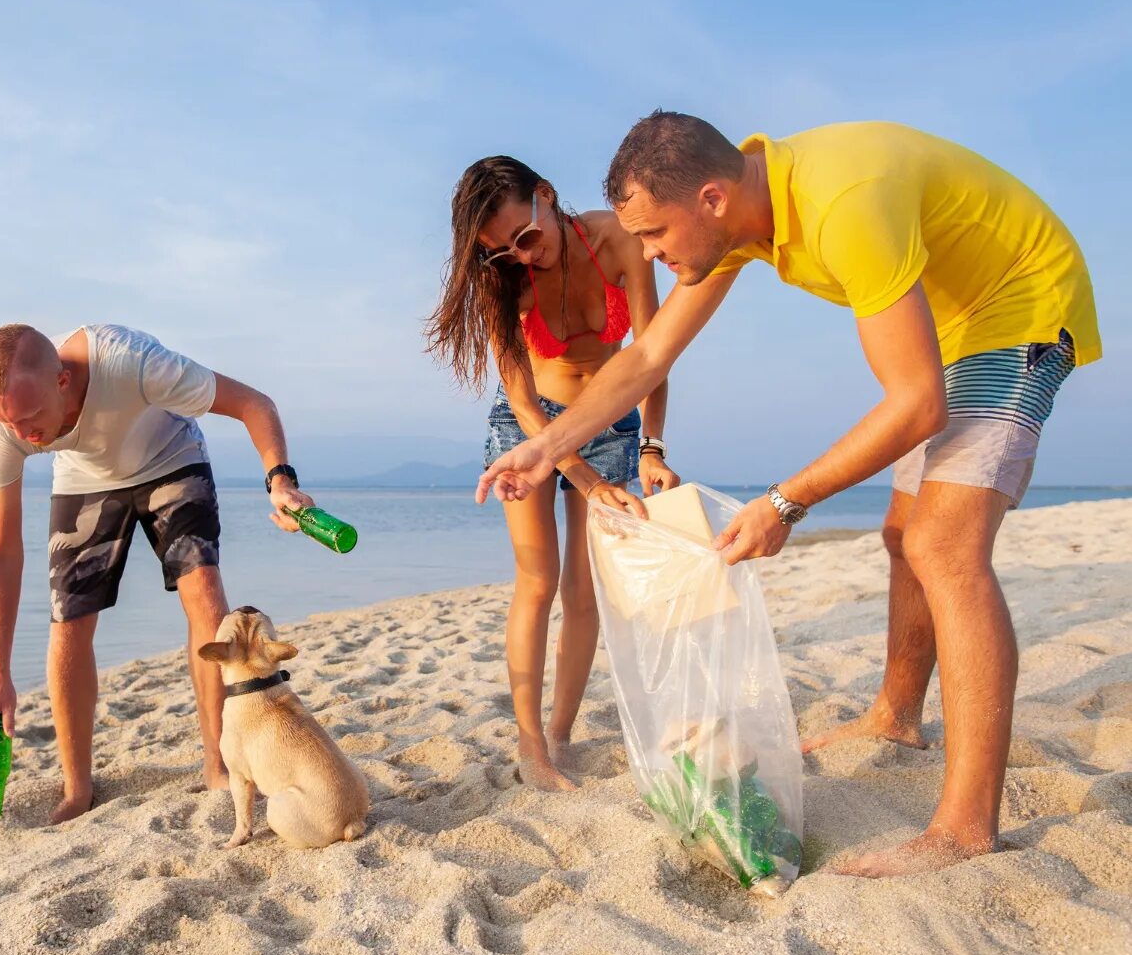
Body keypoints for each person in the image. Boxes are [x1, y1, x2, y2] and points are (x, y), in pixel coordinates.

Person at [478, 112, 1100, 875]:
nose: (645, 254)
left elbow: (915, 405)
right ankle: (896, 717)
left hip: (1022, 305)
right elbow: (648, 357)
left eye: (653, 236)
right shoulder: (742, 210)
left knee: (944, 544)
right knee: (903, 531)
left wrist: (784, 502)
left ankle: (967, 828)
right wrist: (545, 446)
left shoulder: (845, 204)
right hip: (958, 318)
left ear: (708, 198)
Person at [0, 322, 320, 822]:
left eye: (30, 418)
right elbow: (1, 550)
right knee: (68, 622)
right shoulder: (3, 426)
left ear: (63, 380)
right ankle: (77, 789)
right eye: (7, 423)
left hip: (170, 458)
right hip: (85, 479)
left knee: (203, 591)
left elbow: (254, 405)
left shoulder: (131, 363)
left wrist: (280, 482)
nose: (22, 435)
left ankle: (219, 766)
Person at [426, 156, 678, 791]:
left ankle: (561, 732)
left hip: (612, 422)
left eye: (526, 237)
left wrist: (652, 448)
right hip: (528, 429)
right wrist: (588, 482)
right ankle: (530, 744)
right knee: (538, 580)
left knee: (585, 593)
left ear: (547, 196)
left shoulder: (620, 240)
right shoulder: (503, 285)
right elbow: (522, 401)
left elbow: (651, 357)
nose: (519, 257)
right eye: (500, 252)